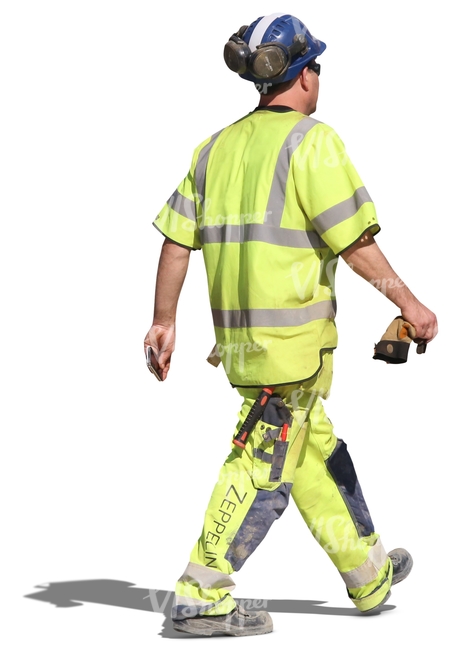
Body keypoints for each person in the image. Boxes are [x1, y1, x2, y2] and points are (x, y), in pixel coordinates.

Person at [144, 13, 438, 637]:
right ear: (304, 76)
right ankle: (201, 592)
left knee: (313, 453)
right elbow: (355, 243)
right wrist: (410, 304)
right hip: (293, 348)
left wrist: (163, 320)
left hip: (243, 348)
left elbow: (176, 243)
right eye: (318, 66)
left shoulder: (214, 149)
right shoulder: (313, 142)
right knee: (259, 464)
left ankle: (369, 574)